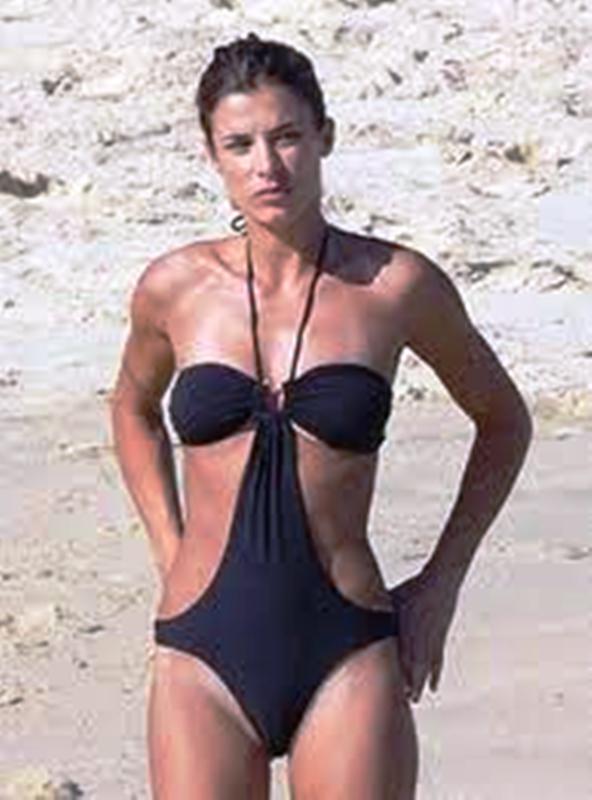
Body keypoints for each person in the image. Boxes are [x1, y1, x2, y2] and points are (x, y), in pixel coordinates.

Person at [111, 33, 532, 800]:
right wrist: (169, 549)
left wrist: (441, 583)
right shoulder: (174, 288)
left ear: (324, 137)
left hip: (347, 649)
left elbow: (504, 421)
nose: (266, 166)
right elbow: (132, 408)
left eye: (287, 136)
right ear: (212, 155)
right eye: (240, 144)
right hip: (200, 649)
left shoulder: (396, 286)